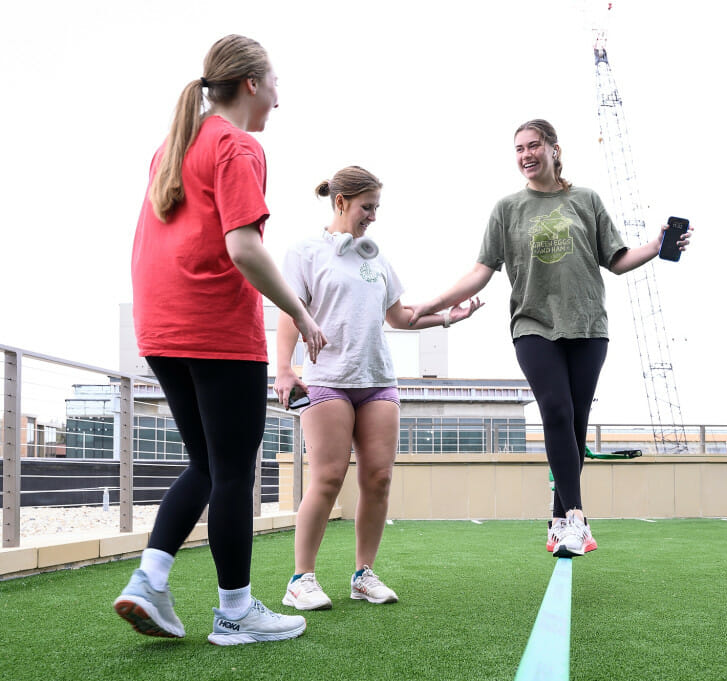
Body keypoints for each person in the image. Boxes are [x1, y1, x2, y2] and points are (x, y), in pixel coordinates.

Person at [113, 35, 328, 645]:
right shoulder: (237, 144)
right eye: (276, 85)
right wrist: (301, 314)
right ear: (253, 84)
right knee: (234, 471)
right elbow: (242, 246)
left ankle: (149, 579)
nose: (279, 101)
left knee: (207, 465)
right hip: (212, 326)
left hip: (160, 328)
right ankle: (235, 613)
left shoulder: (174, 144)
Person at [406, 119, 693, 558]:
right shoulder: (507, 209)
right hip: (533, 325)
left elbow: (615, 261)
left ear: (555, 150)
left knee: (573, 427)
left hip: (587, 327)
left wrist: (656, 245)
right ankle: (576, 517)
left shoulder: (585, 200)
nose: (526, 155)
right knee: (555, 410)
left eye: (534, 145)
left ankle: (558, 523)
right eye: (519, 148)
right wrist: (432, 305)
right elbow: (481, 272)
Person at [274, 166, 482, 610]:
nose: (373, 217)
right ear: (341, 201)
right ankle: (301, 579)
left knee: (379, 478)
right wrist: (285, 369)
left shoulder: (376, 257)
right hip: (328, 377)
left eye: (377, 208)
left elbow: (400, 318)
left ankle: (363, 574)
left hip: (378, 381)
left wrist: (448, 317)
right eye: (367, 207)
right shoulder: (306, 251)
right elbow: (290, 311)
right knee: (328, 476)